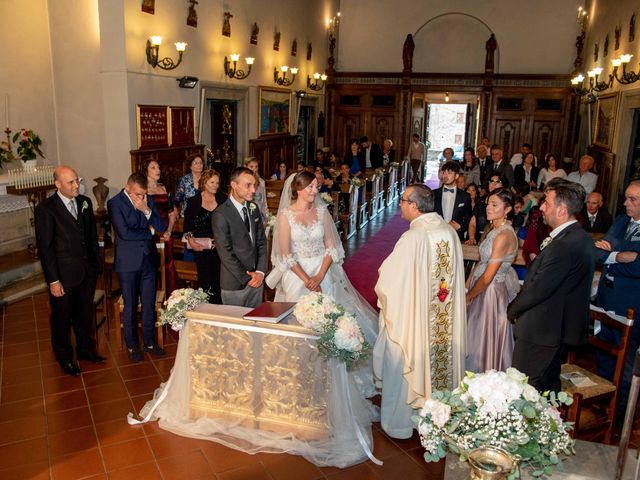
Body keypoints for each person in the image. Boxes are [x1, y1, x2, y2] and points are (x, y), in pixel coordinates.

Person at [266, 171, 379, 396]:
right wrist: (307, 279)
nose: (315, 191)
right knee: (298, 323)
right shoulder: (285, 215)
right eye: (310, 187)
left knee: (328, 320)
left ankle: (328, 370)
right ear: (298, 188)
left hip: (322, 271)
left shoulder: (321, 211)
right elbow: (286, 254)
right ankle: (299, 371)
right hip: (296, 274)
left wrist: (319, 275)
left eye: (316, 187)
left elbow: (332, 247)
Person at [373, 184, 466, 439]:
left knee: (405, 358)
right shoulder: (448, 231)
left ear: (414, 206)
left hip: (415, 324)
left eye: (403, 201)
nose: (400, 205)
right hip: (441, 321)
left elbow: (390, 281)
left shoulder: (413, 238)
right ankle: (436, 419)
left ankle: (401, 423)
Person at [507, 178, 595, 392]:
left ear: (562, 210)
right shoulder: (578, 237)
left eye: (546, 202)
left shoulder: (565, 244)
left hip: (543, 330)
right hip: (554, 329)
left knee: (526, 390)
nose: (541, 207)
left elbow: (538, 288)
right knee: (545, 387)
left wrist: (511, 310)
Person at [35, 165, 103, 376]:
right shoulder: (46, 209)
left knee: (84, 314)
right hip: (63, 275)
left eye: (77, 180)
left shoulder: (85, 202)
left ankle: (85, 350)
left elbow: (91, 238)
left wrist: (95, 266)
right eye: (71, 182)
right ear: (58, 184)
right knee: (61, 318)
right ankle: (64, 358)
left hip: (86, 272)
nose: (77, 186)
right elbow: (45, 248)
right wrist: (53, 280)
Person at [109, 173, 168, 362]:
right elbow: (124, 233)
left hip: (148, 260)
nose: (141, 198)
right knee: (131, 305)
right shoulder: (115, 203)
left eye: (144, 194)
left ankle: (150, 342)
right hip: (128, 263)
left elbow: (160, 226)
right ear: (127, 188)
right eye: (137, 194)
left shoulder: (146, 200)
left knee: (149, 303)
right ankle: (133, 345)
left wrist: (147, 210)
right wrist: (148, 232)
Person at [595, 180, 640, 416]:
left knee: (626, 364)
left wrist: (610, 255)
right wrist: (618, 256)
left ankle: (620, 413)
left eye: (633, 199)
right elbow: (597, 252)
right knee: (604, 355)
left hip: (630, 308)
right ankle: (602, 401)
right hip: (605, 302)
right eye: (626, 197)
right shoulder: (622, 221)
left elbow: (638, 267)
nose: (625, 203)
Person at [465, 188, 520, 372]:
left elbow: (488, 276)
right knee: (473, 334)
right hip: (479, 287)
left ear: (507, 209)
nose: (488, 208)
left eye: (494, 205)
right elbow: (481, 261)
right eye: (488, 203)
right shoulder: (493, 229)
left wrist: (469, 296)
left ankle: (483, 376)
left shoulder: (505, 234)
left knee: (483, 337)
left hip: (491, 293)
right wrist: (467, 286)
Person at [211, 167, 268, 308]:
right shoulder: (221, 214)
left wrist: (260, 272)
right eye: (248, 185)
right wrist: (248, 277)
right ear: (234, 185)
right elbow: (225, 253)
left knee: (255, 326)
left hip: (257, 282)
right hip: (234, 284)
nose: (253, 190)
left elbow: (261, 242)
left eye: (254, 185)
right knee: (234, 329)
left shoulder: (253, 208)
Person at [184, 169, 227, 304]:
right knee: (205, 281)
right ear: (204, 183)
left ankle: (220, 312)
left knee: (220, 282)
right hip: (202, 248)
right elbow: (188, 226)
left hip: (220, 248)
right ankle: (207, 310)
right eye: (212, 182)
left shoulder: (223, 199)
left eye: (217, 183)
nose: (215, 185)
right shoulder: (194, 201)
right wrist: (191, 241)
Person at [141, 159, 177, 294]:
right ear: (146, 171)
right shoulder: (143, 190)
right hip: (149, 232)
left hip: (166, 231)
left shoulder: (164, 188)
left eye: (158, 167)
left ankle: (169, 296)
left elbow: (172, 213)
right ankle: (152, 295)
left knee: (168, 263)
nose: (158, 170)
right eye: (153, 168)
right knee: (151, 264)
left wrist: (169, 231)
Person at [433, 161, 473, 241]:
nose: (445, 176)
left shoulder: (465, 196)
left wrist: (460, 227)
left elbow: (470, 219)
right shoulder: (433, 194)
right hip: (435, 235)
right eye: (444, 172)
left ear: (456, 176)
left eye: (449, 173)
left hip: (456, 237)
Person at [244, 156, 269, 224]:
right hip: (245, 217)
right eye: (251, 167)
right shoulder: (241, 182)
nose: (254, 169)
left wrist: (267, 218)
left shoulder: (261, 182)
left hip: (259, 217)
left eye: (256, 167)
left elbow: (264, 202)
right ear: (245, 166)